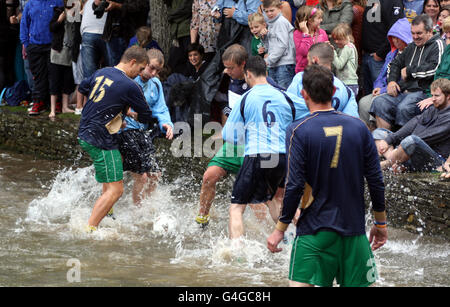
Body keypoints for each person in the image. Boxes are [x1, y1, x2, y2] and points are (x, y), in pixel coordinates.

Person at [267, 64, 387, 287]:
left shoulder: (298, 130)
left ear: (303, 94)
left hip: (314, 230)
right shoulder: (360, 128)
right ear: (334, 92)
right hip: (354, 232)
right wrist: (380, 224)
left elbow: (293, 185)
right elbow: (376, 181)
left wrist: (279, 229)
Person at [222, 55, 309, 239]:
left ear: (248, 75)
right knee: (278, 201)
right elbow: (311, 110)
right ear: (267, 73)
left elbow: (228, 136)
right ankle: (302, 239)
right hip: (282, 157)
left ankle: (237, 256)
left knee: (237, 207)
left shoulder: (245, 99)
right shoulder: (285, 96)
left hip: (256, 154)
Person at [77, 46, 155, 231]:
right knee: (117, 190)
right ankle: (89, 230)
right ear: (133, 62)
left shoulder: (102, 71)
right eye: (141, 68)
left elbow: (83, 87)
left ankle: (108, 215)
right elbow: (145, 115)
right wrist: (132, 115)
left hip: (85, 132)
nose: (140, 73)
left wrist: (118, 110)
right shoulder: (130, 85)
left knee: (114, 170)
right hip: (101, 139)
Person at [116, 49, 174, 205]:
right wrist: (126, 112)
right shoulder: (129, 79)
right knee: (141, 176)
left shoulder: (155, 84)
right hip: (125, 130)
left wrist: (166, 124)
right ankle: (136, 210)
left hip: (142, 132)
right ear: (143, 63)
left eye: (158, 70)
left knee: (155, 174)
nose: (154, 73)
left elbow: (160, 108)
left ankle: (146, 208)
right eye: (151, 68)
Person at [370, 14, 445, 131]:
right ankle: (384, 142)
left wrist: (409, 71)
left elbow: (434, 69)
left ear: (430, 31)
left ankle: (401, 145)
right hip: (404, 90)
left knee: (404, 108)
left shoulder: (438, 44)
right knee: (379, 102)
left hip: (423, 92)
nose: (415, 37)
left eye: (419, 33)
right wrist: (391, 81)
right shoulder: (412, 46)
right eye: (413, 33)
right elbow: (394, 64)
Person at [372, 78, 450, 172]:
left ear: (448, 96)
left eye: (436, 96)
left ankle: (389, 163)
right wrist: (389, 140)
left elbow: (425, 137)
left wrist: (399, 148)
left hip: (434, 159)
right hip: (412, 149)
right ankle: (398, 161)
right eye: (432, 95)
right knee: (379, 133)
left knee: (411, 141)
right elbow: (415, 123)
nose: (432, 99)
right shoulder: (434, 108)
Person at [358, 17, 412, 129]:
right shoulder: (391, 54)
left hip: (397, 92)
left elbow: (403, 81)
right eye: (393, 38)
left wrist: (383, 90)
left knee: (375, 101)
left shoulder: (410, 56)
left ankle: (377, 130)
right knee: (363, 102)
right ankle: (366, 131)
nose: (395, 41)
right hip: (384, 88)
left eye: (399, 38)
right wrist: (378, 86)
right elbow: (382, 74)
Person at [287, 42, 359, 118]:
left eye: (308, 61)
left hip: (304, 128)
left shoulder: (300, 79)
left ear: (315, 60)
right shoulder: (346, 90)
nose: (307, 65)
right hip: (335, 128)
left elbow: (288, 107)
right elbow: (352, 118)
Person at [20, 0, 64, 116]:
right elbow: (24, 24)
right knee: (38, 75)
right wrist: (26, 43)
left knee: (54, 74)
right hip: (34, 45)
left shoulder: (57, 2)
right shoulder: (30, 4)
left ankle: (56, 102)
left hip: (53, 44)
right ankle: (39, 102)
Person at [361, 0, 404, 95]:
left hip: (380, 58)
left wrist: (380, 54)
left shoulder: (394, 2)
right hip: (366, 55)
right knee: (368, 96)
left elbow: (395, 31)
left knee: (379, 94)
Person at [48, 1, 78, 118]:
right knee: (55, 81)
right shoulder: (58, 11)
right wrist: (60, 20)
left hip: (70, 53)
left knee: (67, 81)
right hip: (57, 52)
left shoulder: (76, 14)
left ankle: (65, 107)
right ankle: (52, 109)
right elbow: (52, 27)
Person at [262, 0, 296, 89]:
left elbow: (282, 45)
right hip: (275, 64)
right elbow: (270, 46)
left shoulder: (280, 22)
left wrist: (268, 60)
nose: (269, 14)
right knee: (275, 91)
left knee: (283, 92)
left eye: (272, 10)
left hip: (284, 64)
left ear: (280, 9)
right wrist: (264, 37)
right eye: (266, 11)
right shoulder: (271, 23)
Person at [293, 5, 328, 73]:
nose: (321, 20)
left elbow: (325, 52)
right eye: (319, 18)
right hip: (304, 71)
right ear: (309, 20)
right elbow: (304, 51)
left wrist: (328, 47)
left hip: (321, 70)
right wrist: (306, 33)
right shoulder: (297, 33)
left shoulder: (322, 32)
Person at [331, 23, 359, 96]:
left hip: (348, 83)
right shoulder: (345, 47)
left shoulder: (347, 48)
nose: (336, 42)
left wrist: (332, 52)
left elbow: (339, 65)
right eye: (335, 39)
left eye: (339, 39)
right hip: (349, 83)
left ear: (347, 37)